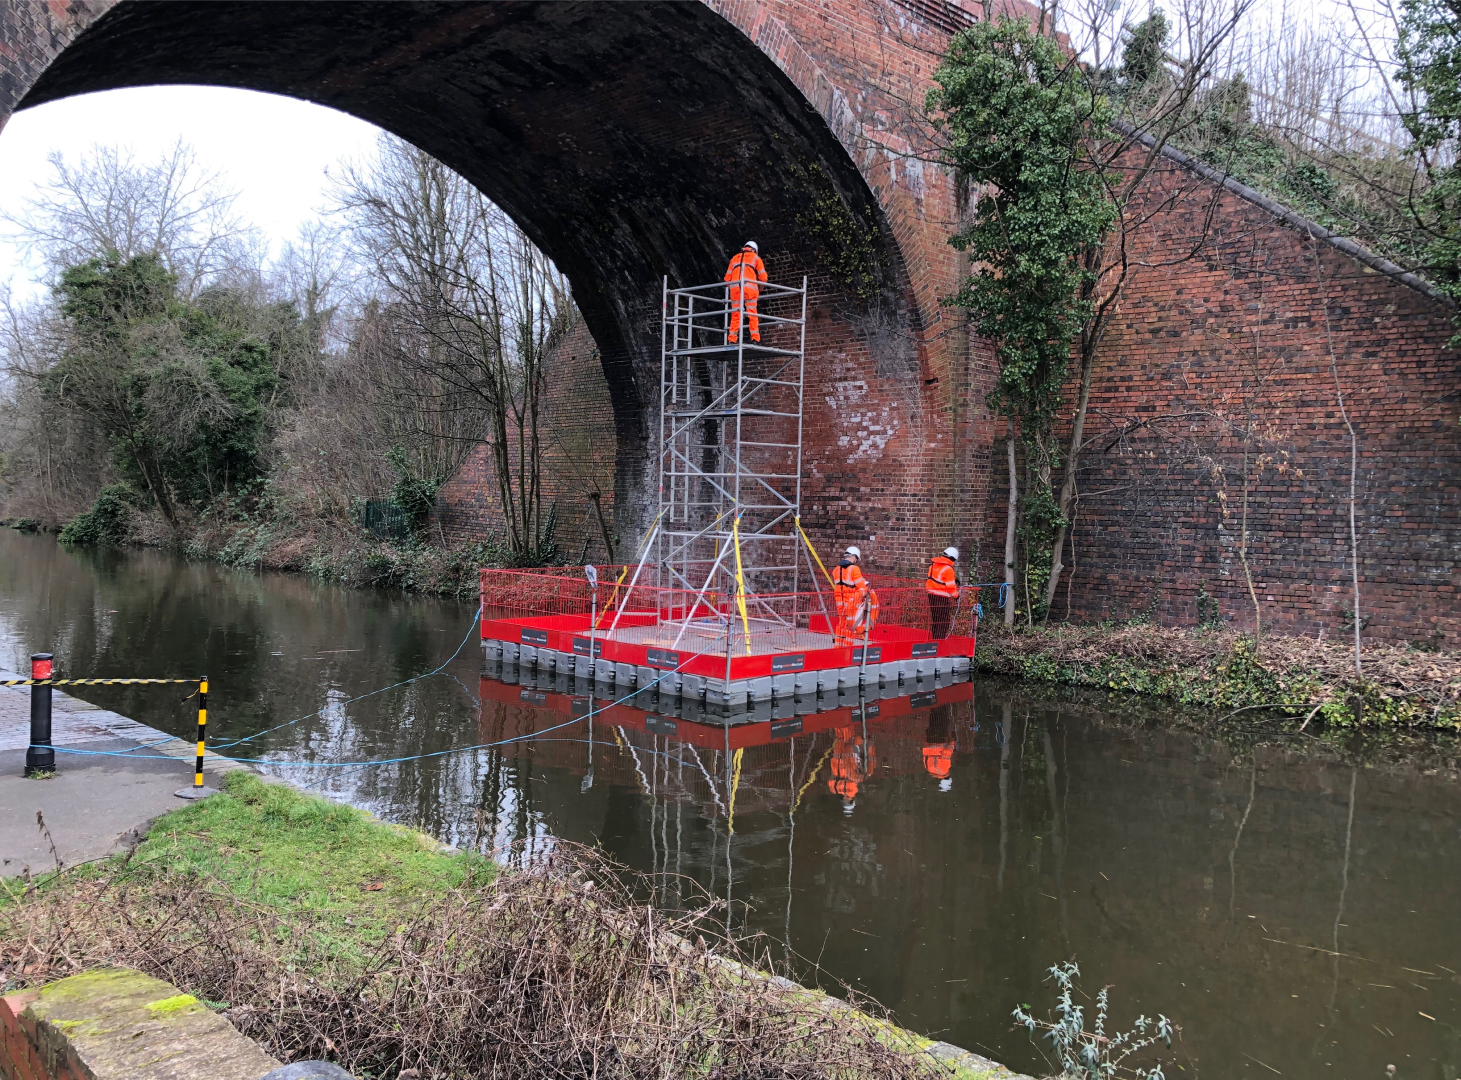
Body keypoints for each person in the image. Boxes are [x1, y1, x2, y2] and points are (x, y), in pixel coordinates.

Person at [723, 240, 767, 344]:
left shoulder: (734, 258)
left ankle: (732, 340)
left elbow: (726, 278)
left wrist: (733, 288)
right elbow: (763, 277)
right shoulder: (755, 257)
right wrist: (760, 288)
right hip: (750, 289)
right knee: (752, 313)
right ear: (754, 250)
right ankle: (755, 339)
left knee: (736, 314)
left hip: (735, 289)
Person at [832, 545, 877, 646]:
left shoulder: (836, 570)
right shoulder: (854, 569)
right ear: (853, 557)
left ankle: (837, 648)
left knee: (841, 625)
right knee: (850, 626)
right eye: (856, 559)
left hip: (840, 603)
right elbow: (862, 587)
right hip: (851, 603)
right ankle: (847, 650)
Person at [925, 546, 960, 639]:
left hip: (931, 596)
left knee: (936, 620)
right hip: (942, 598)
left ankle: (934, 641)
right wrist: (956, 596)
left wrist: (953, 579)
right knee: (944, 621)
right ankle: (939, 643)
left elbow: (936, 578)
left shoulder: (933, 565)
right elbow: (951, 587)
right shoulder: (948, 569)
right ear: (953, 558)